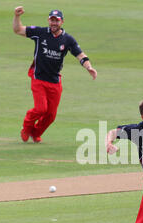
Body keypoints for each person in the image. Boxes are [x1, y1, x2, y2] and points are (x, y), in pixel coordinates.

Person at [13, 6, 97, 143]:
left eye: (56, 21)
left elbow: (80, 54)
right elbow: (18, 30)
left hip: (54, 81)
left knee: (51, 115)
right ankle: (26, 127)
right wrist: (17, 16)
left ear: (62, 22)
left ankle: (35, 133)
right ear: (48, 20)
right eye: (52, 20)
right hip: (38, 78)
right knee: (41, 109)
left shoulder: (67, 39)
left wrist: (89, 67)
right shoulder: (40, 33)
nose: (54, 23)